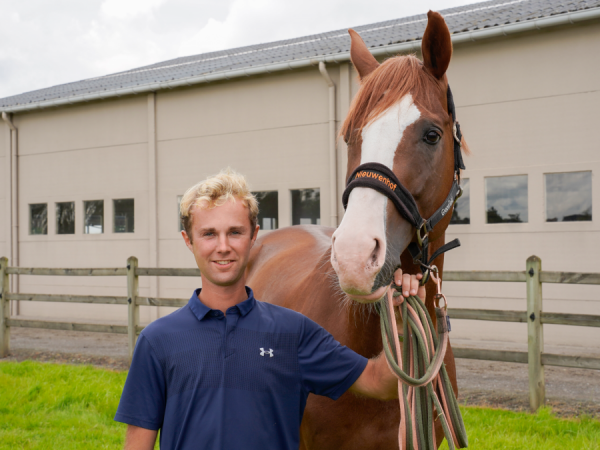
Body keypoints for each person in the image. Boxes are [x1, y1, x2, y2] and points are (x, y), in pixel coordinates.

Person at [114, 169, 424, 450]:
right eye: (209, 234)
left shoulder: (293, 332)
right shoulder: (157, 341)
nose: (223, 246)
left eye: (235, 232)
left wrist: (401, 325)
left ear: (253, 236)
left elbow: (377, 381)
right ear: (188, 241)